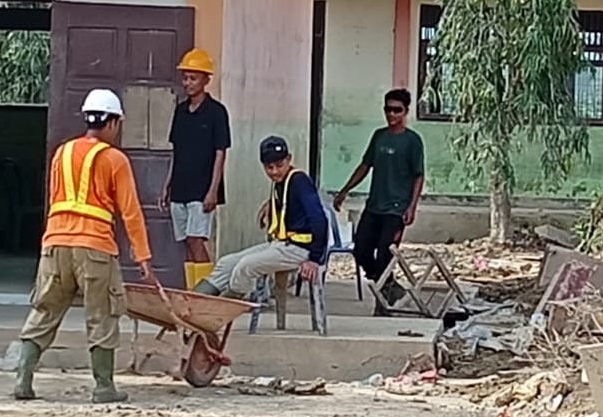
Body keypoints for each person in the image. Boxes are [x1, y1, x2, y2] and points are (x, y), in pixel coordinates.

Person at [11, 88, 157, 405]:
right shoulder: (115, 159)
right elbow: (130, 212)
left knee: (44, 311)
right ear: (114, 122)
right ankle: (104, 387)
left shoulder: (61, 153)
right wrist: (143, 256)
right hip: (95, 249)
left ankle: (23, 380)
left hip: (55, 244)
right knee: (102, 316)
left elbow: (53, 200)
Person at [193, 136, 327, 299]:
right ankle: (195, 299)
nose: (275, 171)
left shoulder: (299, 181)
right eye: (269, 167)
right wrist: (270, 204)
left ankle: (225, 307)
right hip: (281, 245)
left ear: (289, 159)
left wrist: (314, 259)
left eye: (279, 165)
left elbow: (319, 219)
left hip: (300, 249)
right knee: (226, 263)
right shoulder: (280, 183)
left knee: (246, 266)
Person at [333, 88, 425, 310]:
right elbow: (365, 166)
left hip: (396, 209)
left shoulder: (412, 141)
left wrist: (412, 206)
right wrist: (345, 190)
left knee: (385, 254)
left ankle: (381, 303)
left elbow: (418, 176)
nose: (392, 115)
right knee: (361, 250)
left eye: (397, 110)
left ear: (405, 111)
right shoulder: (379, 136)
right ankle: (388, 286)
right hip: (374, 206)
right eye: (388, 109)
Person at [160, 47, 231, 290]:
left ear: (205, 80)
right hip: (180, 187)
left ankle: (208, 292)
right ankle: (193, 291)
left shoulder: (217, 112)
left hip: (202, 191)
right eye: (186, 77)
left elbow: (220, 153)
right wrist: (166, 185)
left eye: (193, 78)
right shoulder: (180, 111)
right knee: (186, 243)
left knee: (197, 240)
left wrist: (213, 190)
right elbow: (175, 151)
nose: (188, 83)